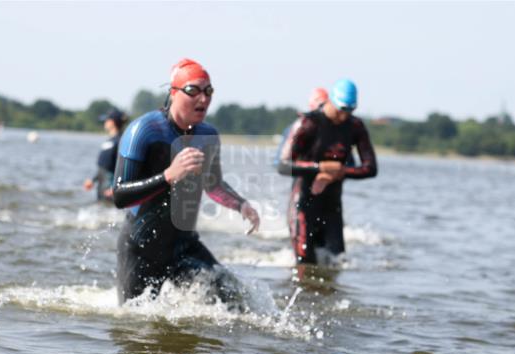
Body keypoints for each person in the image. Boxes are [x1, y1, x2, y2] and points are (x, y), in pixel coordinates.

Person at [112, 58, 260, 306]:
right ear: (173, 93)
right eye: (193, 91)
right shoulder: (144, 131)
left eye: (208, 91)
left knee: (234, 299)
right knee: (135, 327)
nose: (203, 99)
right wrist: (169, 175)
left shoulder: (207, 135)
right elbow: (119, 196)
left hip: (184, 245)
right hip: (141, 246)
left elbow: (213, 185)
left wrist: (241, 205)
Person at [276, 78, 378, 266]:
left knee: (336, 262)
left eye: (350, 111)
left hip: (332, 207)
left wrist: (338, 172)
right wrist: (320, 168)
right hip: (303, 204)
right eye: (341, 110)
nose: (344, 116)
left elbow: (371, 168)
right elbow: (282, 165)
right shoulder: (308, 123)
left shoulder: (355, 126)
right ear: (330, 100)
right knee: (305, 263)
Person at [84, 108, 127, 202]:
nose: (104, 122)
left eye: (106, 120)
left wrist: (116, 187)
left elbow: (124, 166)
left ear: (112, 122)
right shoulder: (109, 141)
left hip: (111, 189)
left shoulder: (121, 141)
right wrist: (93, 180)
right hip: (101, 187)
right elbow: (103, 166)